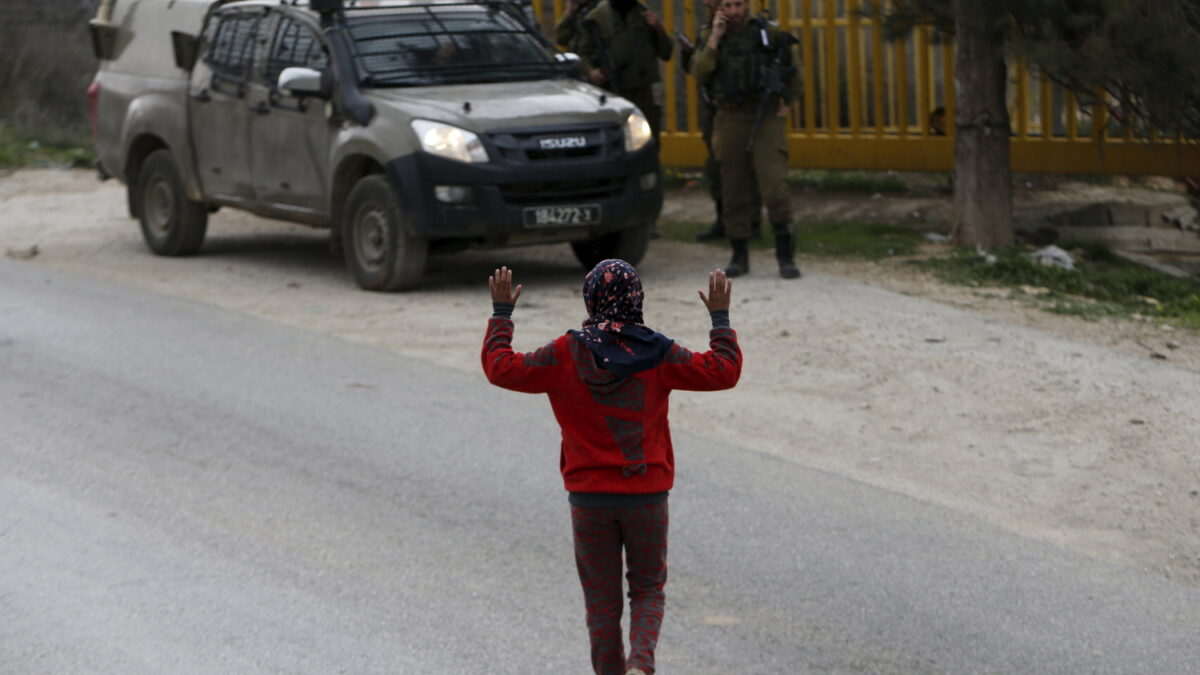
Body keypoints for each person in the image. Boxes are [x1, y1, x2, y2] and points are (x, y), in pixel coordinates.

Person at [482, 260, 742, 675]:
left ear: (590, 298)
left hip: (589, 501)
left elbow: (501, 367)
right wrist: (720, 318)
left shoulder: (564, 353)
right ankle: (640, 665)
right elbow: (723, 371)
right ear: (637, 298)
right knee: (648, 590)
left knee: (602, 606)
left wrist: (501, 316)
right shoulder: (658, 350)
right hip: (647, 495)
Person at [691, 0, 801, 279]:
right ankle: (739, 253)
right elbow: (700, 72)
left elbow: (794, 71)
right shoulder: (709, 35)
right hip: (730, 115)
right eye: (728, 5)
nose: (734, 11)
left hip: (765, 113)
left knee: (774, 184)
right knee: (733, 186)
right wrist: (715, 37)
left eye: (739, 4)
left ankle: (785, 252)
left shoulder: (769, 33)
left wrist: (788, 102)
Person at [682, 0, 761, 243]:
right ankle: (724, 220)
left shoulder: (751, 27)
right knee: (718, 167)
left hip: (741, 109)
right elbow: (700, 70)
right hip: (714, 107)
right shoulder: (709, 28)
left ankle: (752, 222)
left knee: (747, 167)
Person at [575, 0, 673, 148]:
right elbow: (582, 52)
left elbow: (666, 52)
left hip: (641, 90)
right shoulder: (597, 17)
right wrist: (591, 72)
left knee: (647, 140)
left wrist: (658, 28)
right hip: (612, 91)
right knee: (616, 140)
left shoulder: (644, 14)